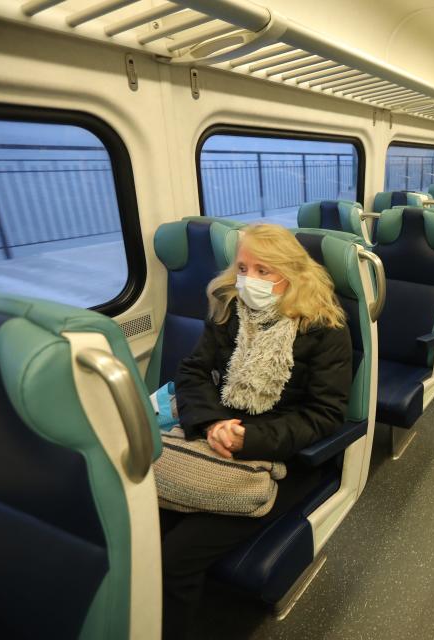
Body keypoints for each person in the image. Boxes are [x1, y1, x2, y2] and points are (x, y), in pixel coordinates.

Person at [159, 224, 352, 639]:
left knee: (175, 558)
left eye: (264, 270)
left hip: (285, 459)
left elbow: (324, 415)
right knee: (141, 524)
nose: (249, 280)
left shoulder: (324, 327)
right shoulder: (229, 310)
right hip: (214, 437)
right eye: (243, 267)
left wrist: (250, 439)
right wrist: (213, 422)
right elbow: (192, 370)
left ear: (293, 273)